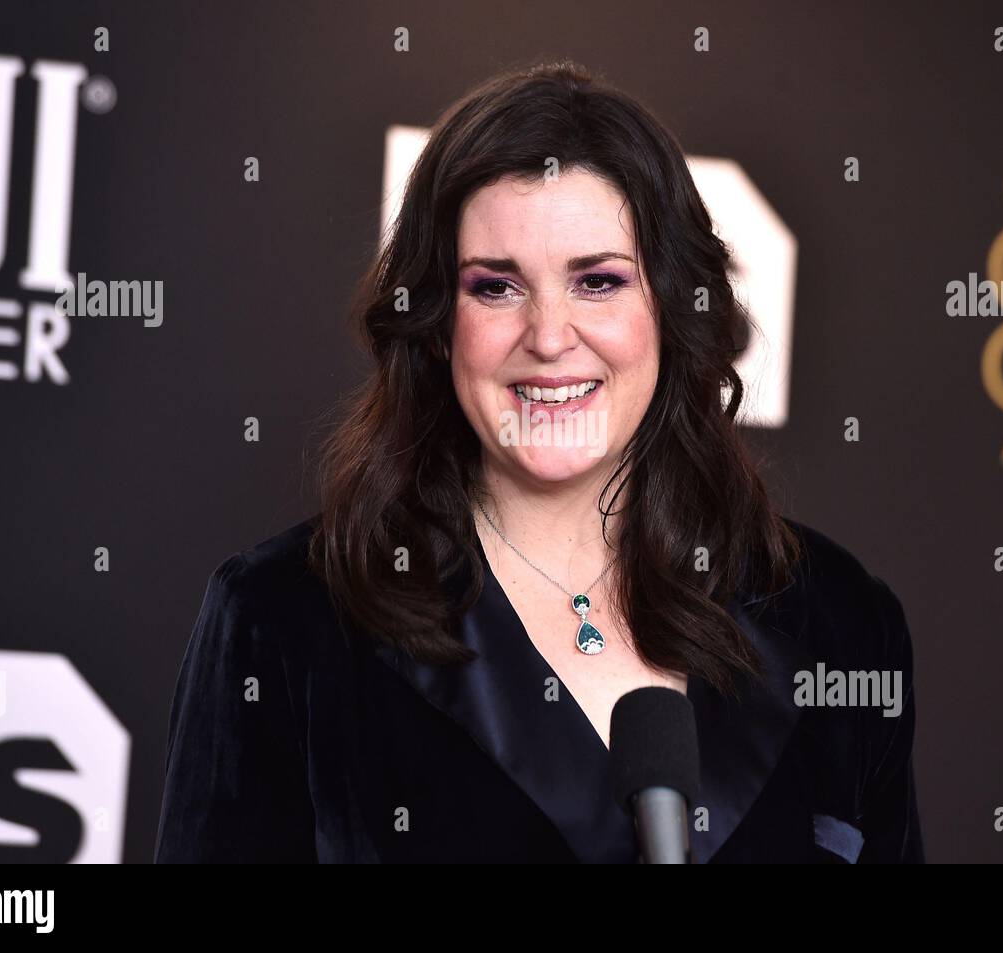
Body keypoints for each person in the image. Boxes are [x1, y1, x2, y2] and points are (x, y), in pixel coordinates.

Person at [154, 59, 923, 863]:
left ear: (670, 306)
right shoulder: (283, 623)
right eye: (496, 287)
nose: (550, 336)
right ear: (438, 323)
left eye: (597, 281)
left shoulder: (841, 622)